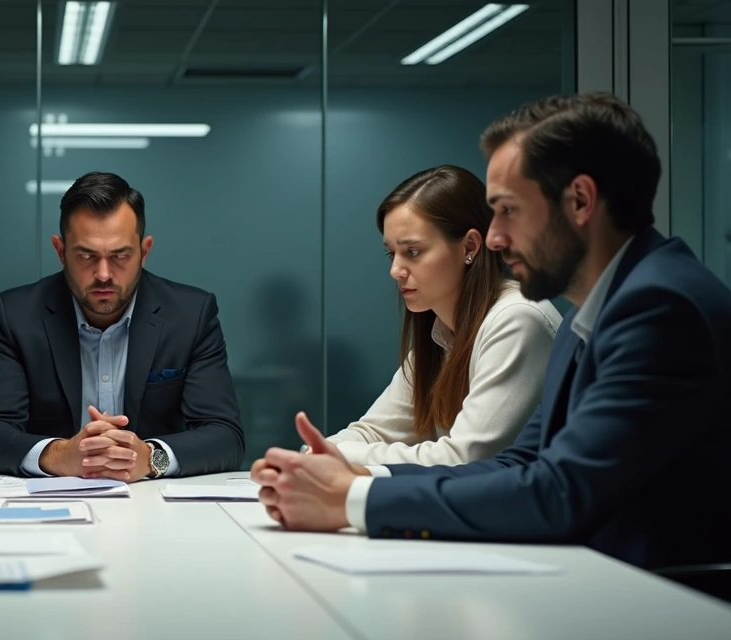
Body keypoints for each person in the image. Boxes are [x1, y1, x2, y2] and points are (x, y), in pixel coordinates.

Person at [252, 92, 731, 570]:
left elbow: (559, 492)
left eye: (508, 210)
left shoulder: (659, 307)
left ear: (581, 201)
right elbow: (520, 463)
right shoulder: (592, 311)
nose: (496, 238)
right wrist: (350, 481)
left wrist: (354, 497)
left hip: (667, 598)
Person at [0, 171, 245, 481]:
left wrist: (150, 457)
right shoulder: (16, 316)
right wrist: (60, 455)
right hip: (52, 507)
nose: (103, 273)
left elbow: (225, 436)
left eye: (120, 256)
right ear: (60, 251)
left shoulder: (191, 314)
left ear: (144, 251)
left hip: (157, 506)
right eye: (87, 255)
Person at [315, 165, 560, 466]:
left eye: (413, 252)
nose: (395, 270)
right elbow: (371, 431)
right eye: (392, 254)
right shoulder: (442, 333)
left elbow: (466, 458)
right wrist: (316, 455)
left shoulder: (518, 319)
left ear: (470, 246)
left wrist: (333, 456)